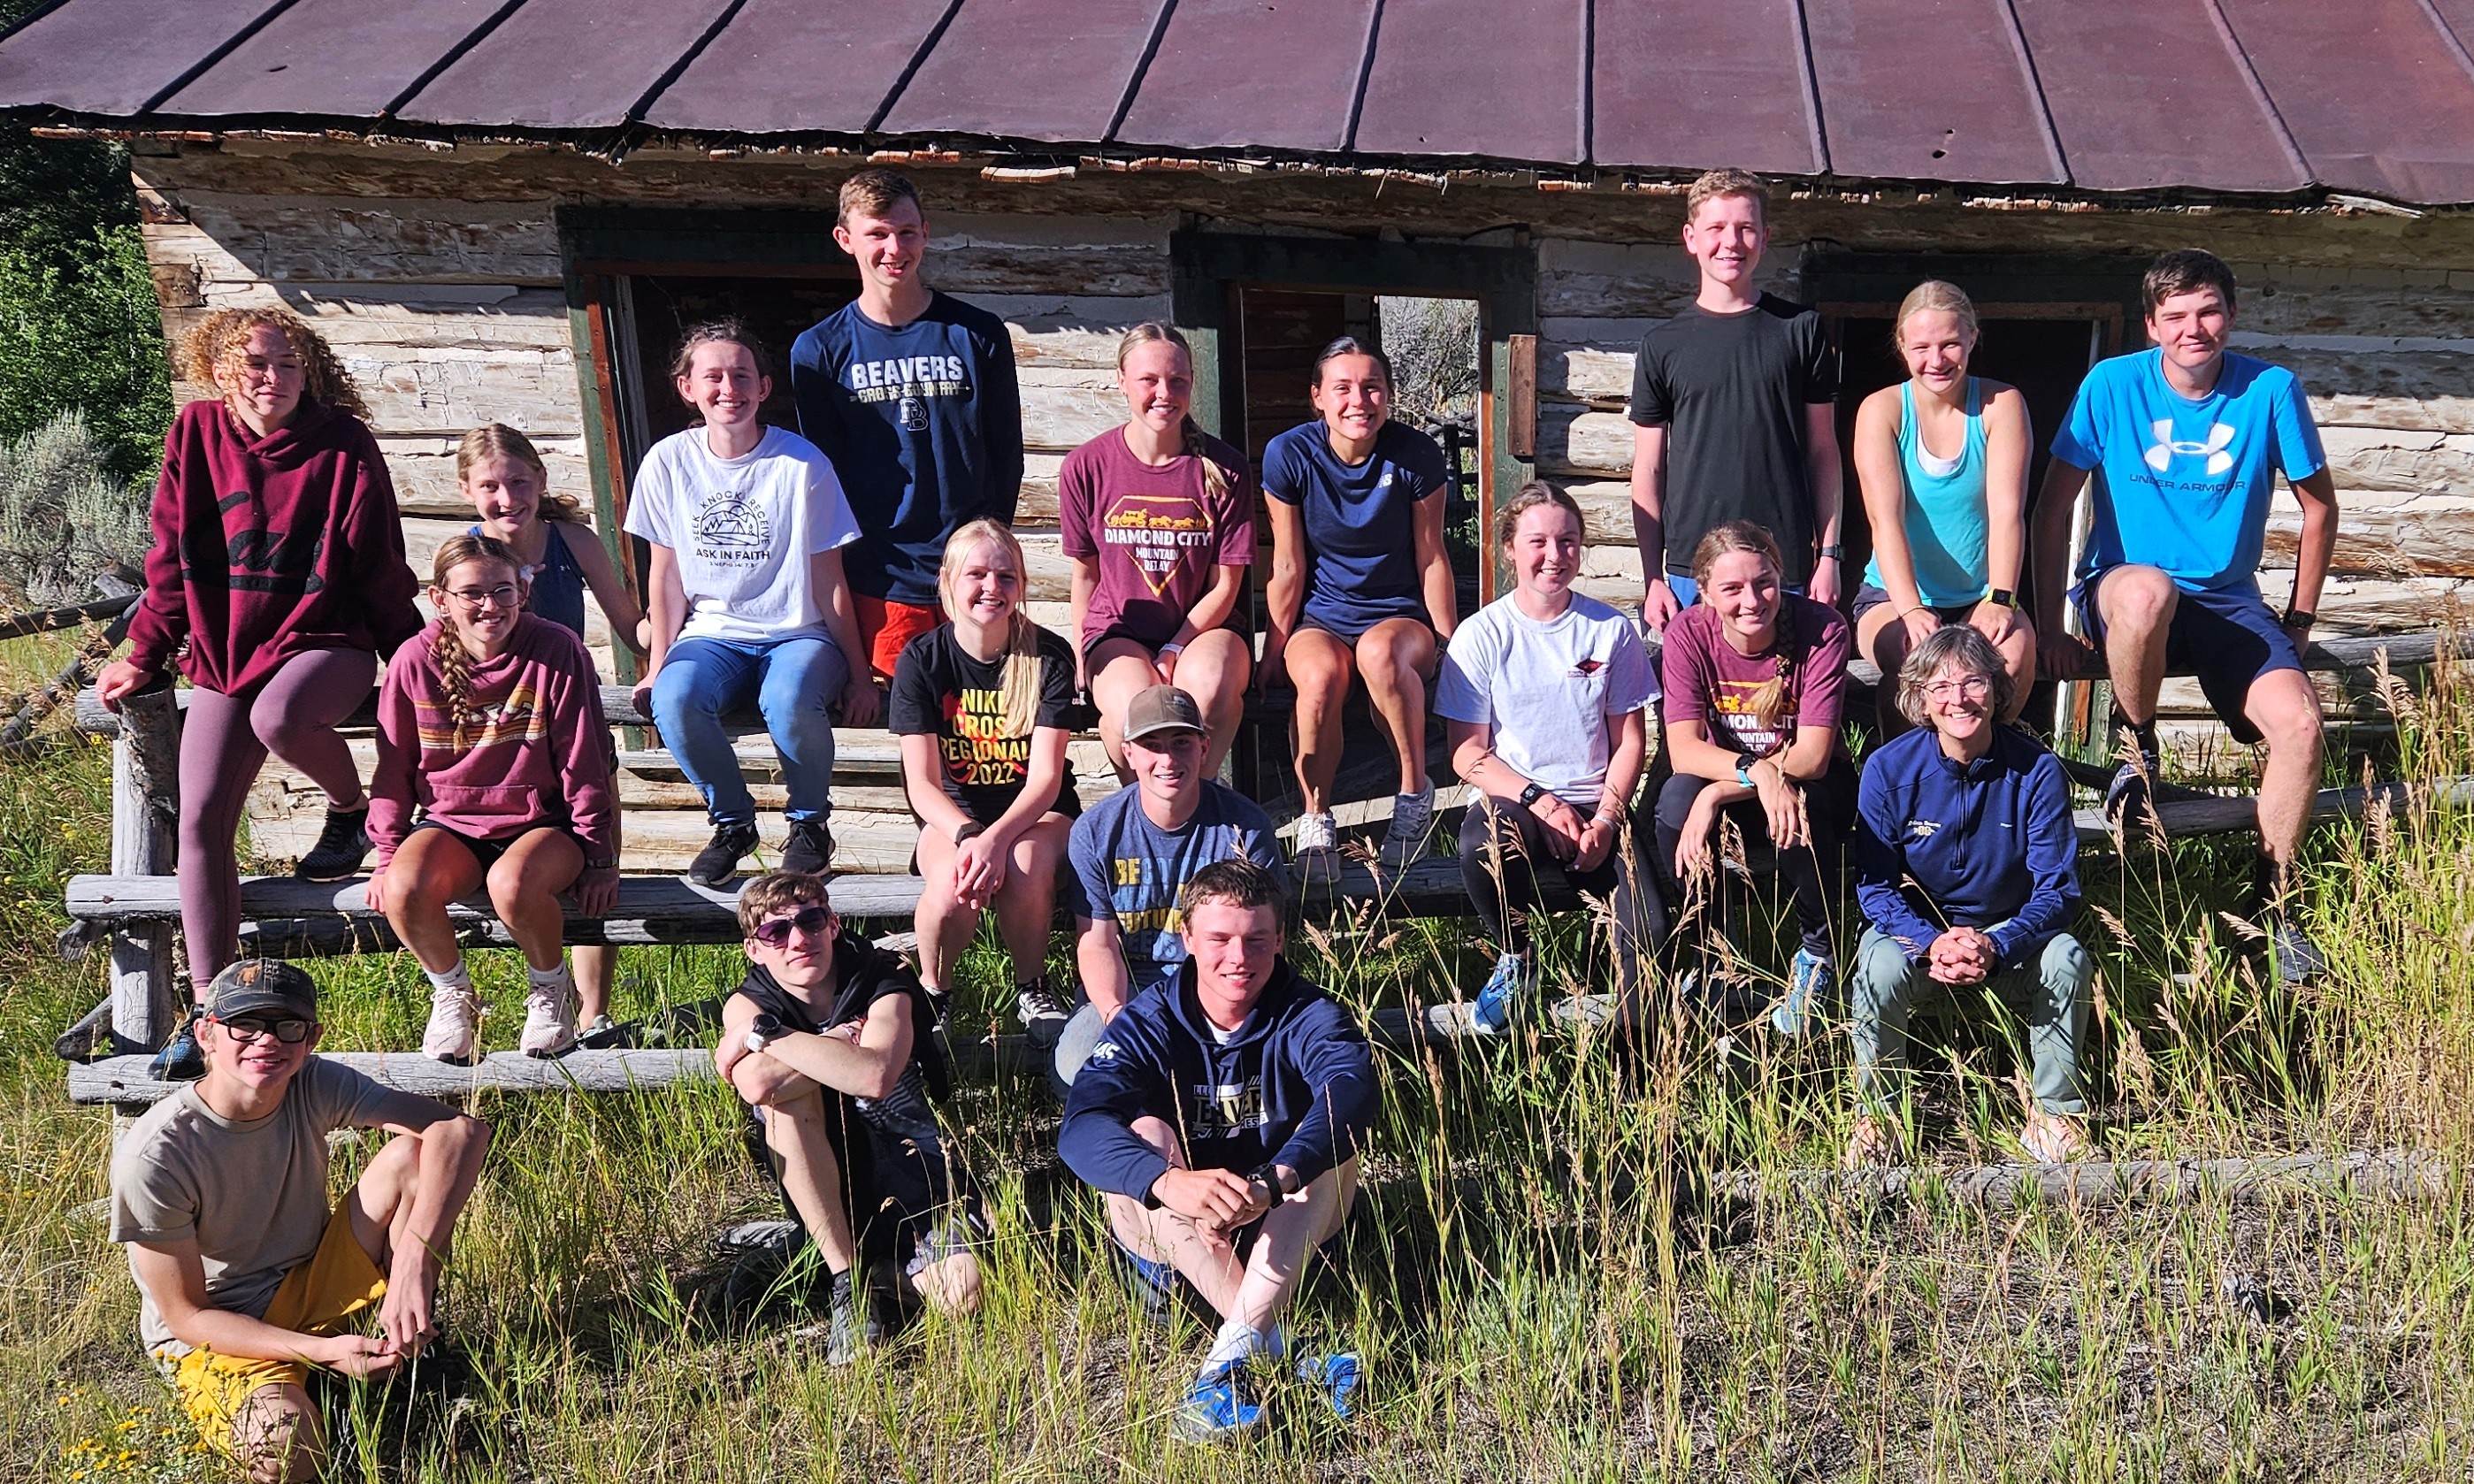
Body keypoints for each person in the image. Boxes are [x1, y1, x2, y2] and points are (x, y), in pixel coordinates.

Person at [94, 307, 424, 1082]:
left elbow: (378, 561)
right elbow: (170, 558)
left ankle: (347, 812)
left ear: (306, 372)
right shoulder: (197, 435)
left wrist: (416, 657)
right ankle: (214, 1009)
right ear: (219, 373)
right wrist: (144, 651)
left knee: (281, 716)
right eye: (253, 365)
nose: (269, 378)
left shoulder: (342, 444)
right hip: (227, 649)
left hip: (326, 640)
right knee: (202, 816)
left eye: (285, 364)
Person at [2030, 248, 2338, 982]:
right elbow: (2050, 510)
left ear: (2229, 316)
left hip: (2228, 598)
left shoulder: (2268, 389)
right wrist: (2046, 625)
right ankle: (2136, 754)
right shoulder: (2111, 384)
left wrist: (2297, 620)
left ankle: (2273, 911)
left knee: (2299, 729)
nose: (2192, 329)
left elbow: (2320, 506)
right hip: (2122, 586)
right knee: (2146, 592)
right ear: (2150, 326)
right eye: (2175, 316)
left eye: (2206, 312)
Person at [110, 960, 491, 1483]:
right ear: (206, 1035)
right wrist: (321, 1352)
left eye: (286, 1026)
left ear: (311, 1037)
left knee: (416, 1156)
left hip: (310, 1279)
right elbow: (187, 1317)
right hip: (225, 1332)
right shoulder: (156, 1157)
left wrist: (414, 1264)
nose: (266, 1041)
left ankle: (411, 1350)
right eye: (244, 1024)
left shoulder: (310, 1081)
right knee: (285, 1452)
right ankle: (339, 1374)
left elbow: (460, 1131)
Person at [1059, 861, 1372, 1442]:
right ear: (1186, 939)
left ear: (1279, 939)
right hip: (1181, 1250)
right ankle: (1277, 1349)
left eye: (1256, 940)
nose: (1238, 958)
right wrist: (1171, 1184)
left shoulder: (1309, 1013)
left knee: (1330, 1147)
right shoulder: (1146, 1022)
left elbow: (1351, 1091)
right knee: (1143, 1131)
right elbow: (1080, 1127)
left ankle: (1222, 1371)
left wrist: (1273, 1180)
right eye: (1219, 939)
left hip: (1283, 1226)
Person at [626, 320, 878, 889]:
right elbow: (665, 577)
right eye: (712, 376)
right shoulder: (668, 462)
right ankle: (733, 823)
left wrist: (859, 674)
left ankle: (810, 823)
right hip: (713, 632)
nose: (728, 388)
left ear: (764, 388)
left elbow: (829, 576)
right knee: (676, 698)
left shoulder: (801, 464)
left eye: (742, 376)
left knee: (787, 699)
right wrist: (656, 666)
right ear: (686, 387)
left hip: (799, 631)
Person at [364, 535, 621, 1062]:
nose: (490, 606)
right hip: (452, 822)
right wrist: (387, 855)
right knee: (404, 887)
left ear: (524, 591)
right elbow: (394, 766)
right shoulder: (416, 660)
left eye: (503, 591)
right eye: (472, 593)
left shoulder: (555, 649)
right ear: (441, 599)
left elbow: (584, 757)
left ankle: (550, 989)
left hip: (544, 823)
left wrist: (599, 856)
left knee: (513, 884)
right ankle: (453, 992)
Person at [712, 872, 985, 1364]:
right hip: (822, 1175)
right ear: (755, 949)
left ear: (833, 925)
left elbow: (877, 1075)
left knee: (961, 1296)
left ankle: (830, 1255)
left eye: (811, 922)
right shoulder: (748, 1002)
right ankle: (849, 1282)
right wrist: (837, 1044)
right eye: (777, 932)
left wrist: (766, 1038)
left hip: (913, 1177)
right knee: (785, 1105)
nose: (799, 940)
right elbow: (755, 1085)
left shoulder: (884, 981)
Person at [1849, 627, 2092, 1167]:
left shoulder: (2036, 770)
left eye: (1973, 682)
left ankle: (2056, 1113)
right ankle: (1878, 1118)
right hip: (1917, 937)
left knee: (2068, 958)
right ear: (1920, 699)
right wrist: (1931, 941)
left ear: (1996, 690)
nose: (1957, 699)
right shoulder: (1888, 770)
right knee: (1878, 965)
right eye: (1940, 687)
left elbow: (2057, 888)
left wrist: (1996, 944)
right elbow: (1874, 885)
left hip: (2010, 936)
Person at [1437, 483, 1665, 1034]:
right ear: (1510, 548)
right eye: (1537, 541)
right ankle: (1516, 957)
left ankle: (1632, 1058)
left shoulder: (1609, 630)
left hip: (1599, 805)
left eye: (1567, 542)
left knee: (1650, 935)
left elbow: (1629, 738)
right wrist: (1541, 802)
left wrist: (1607, 818)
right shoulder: (1482, 634)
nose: (1554, 556)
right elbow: (1467, 753)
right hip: (1520, 800)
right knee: (1481, 841)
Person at [791, 168, 1024, 683]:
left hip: (973, 572)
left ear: (926, 232)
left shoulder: (977, 334)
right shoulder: (820, 350)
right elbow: (823, 474)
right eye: (877, 232)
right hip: (883, 577)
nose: (894, 248)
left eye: (907, 231)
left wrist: (988, 550)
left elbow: (1007, 453)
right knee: (912, 727)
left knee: (986, 724)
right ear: (845, 239)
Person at [458, 422, 643, 1034]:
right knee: (517, 879)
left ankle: (595, 1014)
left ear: (539, 479)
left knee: (598, 869)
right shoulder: (468, 559)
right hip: (504, 746)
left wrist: (679, 645)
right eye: (490, 486)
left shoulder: (570, 541)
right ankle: (545, 994)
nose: (506, 498)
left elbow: (629, 624)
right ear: (467, 490)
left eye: (517, 481)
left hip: (577, 730)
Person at [1260, 337, 1457, 877]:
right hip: (1322, 617)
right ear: (1317, 397)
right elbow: (1288, 565)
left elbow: (1432, 554)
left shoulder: (1415, 454)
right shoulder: (1290, 455)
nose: (1359, 401)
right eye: (1342, 388)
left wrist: (1448, 642)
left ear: (1388, 396)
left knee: (1378, 653)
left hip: (1398, 617)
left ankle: (1414, 796)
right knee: (1320, 677)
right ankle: (1315, 820)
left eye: (1372, 387)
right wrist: (1273, 650)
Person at [1657, 521, 1857, 1033]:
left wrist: (1726, 791)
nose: (1752, 599)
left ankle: (1818, 952)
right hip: (1740, 772)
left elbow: (1812, 756)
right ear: (1703, 593)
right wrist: (1752, 771)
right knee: (1676, 804)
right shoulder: (1689, 633)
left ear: (1780, 576)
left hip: (1806, 782)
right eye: (1732, 588)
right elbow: (1683, 750)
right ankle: (1704, 953)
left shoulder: (1823, 629)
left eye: (1764, 582)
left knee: (1795, 805)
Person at [888, 519, 1081, 1044]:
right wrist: (972, 836)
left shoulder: (1047, 656)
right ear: (948, 580)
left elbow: (1045, 778)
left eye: (1006, 576)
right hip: (951, 814)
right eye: (977, 574)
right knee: (953, 885)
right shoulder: (921, 659)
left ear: (1020, 585)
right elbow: (922, 784)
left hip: (1040, 813)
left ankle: (1032, 987)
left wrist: (996, 839)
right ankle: (935, 993)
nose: (991, 587)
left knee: (1023, 864)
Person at [1627, 168, 1844, 626]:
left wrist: (1829, 556)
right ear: (1690, 238)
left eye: (1746, 228)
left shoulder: (1800, 330)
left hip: (1782, 565)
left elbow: (1823, 452)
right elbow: (1648, 467)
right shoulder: (1662, 345)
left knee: (1780, 696)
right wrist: (1653, 578)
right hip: (1691, 568)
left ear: (1764, 237)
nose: (1732, 242)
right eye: (1717, 228)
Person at [1059, 685, 1286, 1086]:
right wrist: (1118, 1017)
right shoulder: (1095, 832)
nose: (1167, 759)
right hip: (1129, 986)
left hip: (1220, 981)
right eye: (1151, 744)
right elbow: (1096, 942)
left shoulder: (1245, 827)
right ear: (1128, 752)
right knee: (1078, 1063)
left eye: (1181, 743)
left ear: (1203, 747)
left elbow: (1265, 936)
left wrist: (1226, 1004)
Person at [1062, 324, 1254, 778]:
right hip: (1118, 631)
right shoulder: (1087, 466)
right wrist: (1079, 657)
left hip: (1204, 630)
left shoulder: (1225, 469)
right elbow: (1085, 575)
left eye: (1177, 381)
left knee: (1203, 694)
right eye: (1149, 380)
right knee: (1135, 712)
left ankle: (1199, 808)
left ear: (1191, 383)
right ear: (1122, 380)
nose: (1164, 393)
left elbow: (1227, 586)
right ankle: (1149, 823)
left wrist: (1174, 646)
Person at [1850, 281, 2037, 728]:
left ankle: (1986, 775)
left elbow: (2008, 510)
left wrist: (2002, 599)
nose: (1936, 361)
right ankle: (1905, 778)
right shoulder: (1883, 410)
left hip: (1980, 594)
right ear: (1902, 346)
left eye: (1950, 344)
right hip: (1894, 597)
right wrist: (1912, 608)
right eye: (1922, 347)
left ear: (1972, 338)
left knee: (2011, 658)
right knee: (1917, 664)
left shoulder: (2000, 404)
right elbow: (1885, 520)